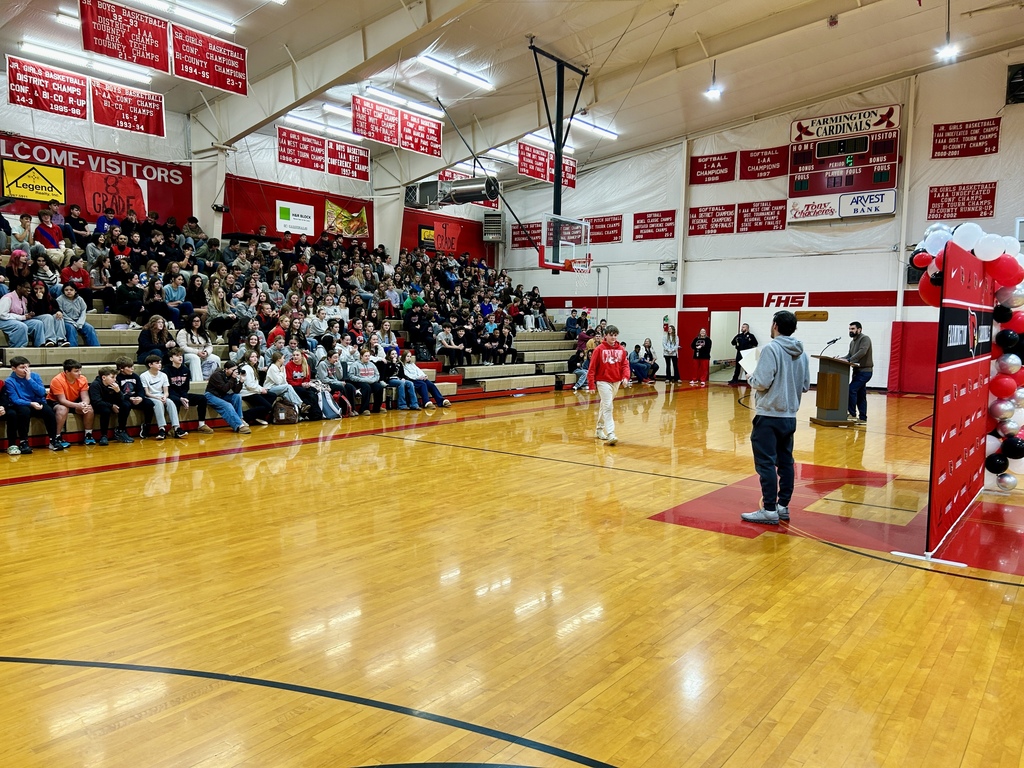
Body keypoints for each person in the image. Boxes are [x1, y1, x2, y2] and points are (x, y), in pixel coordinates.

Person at [740, 310, 810, 525]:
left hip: (769, 415)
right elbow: (806, 385)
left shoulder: (771, 348)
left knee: (766, 464)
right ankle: (782, 507)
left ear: (775, 325)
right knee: (786, 462)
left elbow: (761, 382)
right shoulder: (802, 352)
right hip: (789, 416)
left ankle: (769, 509)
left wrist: (751, 377)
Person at [6, 356, 64, 452]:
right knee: (24, 412)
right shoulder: (10, 381)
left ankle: (53, 440)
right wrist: (30, 403)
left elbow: (42, 392)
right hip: (23, 404)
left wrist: (29, 380)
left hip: (38, 402)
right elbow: (15, 399)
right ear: (13, 368)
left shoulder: (35, 376)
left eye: (27, 367)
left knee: (49, 411)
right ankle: (23, 442)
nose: (25, 370)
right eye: (22, 367)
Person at [587, 324, 631, 446]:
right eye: (611, 335)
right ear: (605, 336)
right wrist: (591, 384)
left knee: (604, 406)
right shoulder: (599, 349)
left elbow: (625, 365)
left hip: (616, 382)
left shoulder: (621, 350)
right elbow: (592, 368)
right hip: (603, 381)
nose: (613, 337)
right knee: (608, 406)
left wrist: (625, 377)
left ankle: (599, 429)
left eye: (615, 335)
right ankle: (611, 433)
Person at [165, 349, 215, 434]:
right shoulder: (166, 371)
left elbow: (186, 388)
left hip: (182, 394)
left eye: (181, 355)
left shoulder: (186, 370)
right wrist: (180, 398)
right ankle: (174, 427)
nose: (180, 357)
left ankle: (201, 424)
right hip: (171, 395)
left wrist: (184, 398)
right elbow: (168, 390)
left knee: (202, 398)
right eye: (177, 355)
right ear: (171, 359)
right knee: (175, 401)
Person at [48, 358, 94, 447]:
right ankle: (57, 437)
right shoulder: (57, 380)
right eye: (76, 371)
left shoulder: (82, 379)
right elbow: (62, 400)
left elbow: (85, 397)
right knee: (63, 409)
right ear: (67, 372)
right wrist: (78, 405)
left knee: (89, 408)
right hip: (55, 402)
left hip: (73, 400)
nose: (79, 373)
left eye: (80, 370)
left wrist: (84, 404)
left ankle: (88, 435)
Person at [139, 354, 187, 440]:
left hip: (161, 395)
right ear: (150, 365)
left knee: (171, 402)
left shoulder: (163, 375)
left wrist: (164, 397)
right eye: (157, 363)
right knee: (158, 403)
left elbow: (166, 391)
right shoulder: (144, 376)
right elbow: (146, 393)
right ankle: (161, 429)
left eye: (160, 363)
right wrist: (158, 398)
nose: (160, 365)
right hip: (151, 396)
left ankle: (177, 428)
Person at [204, 359, 254, 434]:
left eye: (236, 370)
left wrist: (241, 381)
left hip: (221, 395)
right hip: (211, 395)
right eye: (233, 370)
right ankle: (239, 426)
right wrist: (233, 378)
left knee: (237, 396)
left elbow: (236, 391)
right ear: (226, 369)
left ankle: (240, 419)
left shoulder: (231, 376)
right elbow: (224, 389)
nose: (235, 372)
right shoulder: (217, 375)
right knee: (227, 405)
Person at [114, 356, 154, 441]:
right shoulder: (117, 378)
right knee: (125, 405)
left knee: (149, 403)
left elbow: (140, 389)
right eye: (129, 367)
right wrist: (130, 398)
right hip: (123, 399)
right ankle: (121, 429)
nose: (132, 369)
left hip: (135, 398)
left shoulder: (135, 376)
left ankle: (147, 425)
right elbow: (117, 393)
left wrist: (140, 397)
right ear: (121, 369)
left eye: (132, 366)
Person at [841, 321, 873, 423]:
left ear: (859, 330)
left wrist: (849, 360)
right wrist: (841, 359)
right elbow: (849, 355)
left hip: (865, 371)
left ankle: (852, 414)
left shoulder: (865, 339)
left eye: (853, 329)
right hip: (856, 371)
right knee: (860, 395)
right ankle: (863, 418)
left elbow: (862, 352)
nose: (851, 331)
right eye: (849, 329)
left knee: (851, 389)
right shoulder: (852, 342)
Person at [87, 367, 122, 446]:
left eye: (115, 377)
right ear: (103, 377)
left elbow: (121, 400)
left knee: (126, 405)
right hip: (98, 406)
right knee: (105, 410)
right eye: (112, 377)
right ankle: (104, 436)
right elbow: (96, 401)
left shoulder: (114, 385)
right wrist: (111, 406)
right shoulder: (95, 385)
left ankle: (121, 431)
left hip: (110, 404)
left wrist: (118, 391)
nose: (114, 380)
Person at [348, 348, 386, 415]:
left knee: (379, 387)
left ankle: (377, 407)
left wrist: (373, 380)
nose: (367, 357)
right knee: (366, 387)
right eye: (366, 356)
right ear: (361, 356)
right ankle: (364, 409)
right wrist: (363, 380)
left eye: (368, 356)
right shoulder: (355, 364)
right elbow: (351, 376)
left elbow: (377, 375)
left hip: (371, 381)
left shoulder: (372, 364)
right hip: (360, 381)